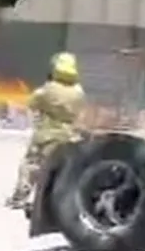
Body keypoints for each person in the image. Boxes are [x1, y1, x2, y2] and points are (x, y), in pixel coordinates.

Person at [5, 51, 86, 209]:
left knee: (32, 165)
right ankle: (54, 203)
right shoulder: (79, 92)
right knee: (59, 170)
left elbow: (32, 103)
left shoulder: (47, 90)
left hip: (46, 135)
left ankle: (20, 197)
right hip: (69, 135)